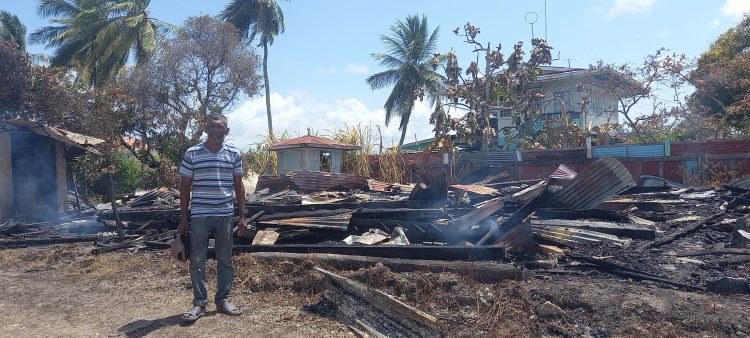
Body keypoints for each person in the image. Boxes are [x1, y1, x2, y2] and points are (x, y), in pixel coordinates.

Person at [178, 113, 247, 322]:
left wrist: (243, 215)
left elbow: (238, 185)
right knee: (197, 259)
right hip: (199, 215)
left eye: (221, 127)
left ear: (226, 131)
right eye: (213, 126)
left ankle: (223, 300)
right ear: (205, 128)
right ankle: (199, 303)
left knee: (225, 259)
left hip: (225, 214)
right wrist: (183, 217)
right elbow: (185, 186)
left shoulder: (234, 153)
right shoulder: (193, 153)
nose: (217, 130)